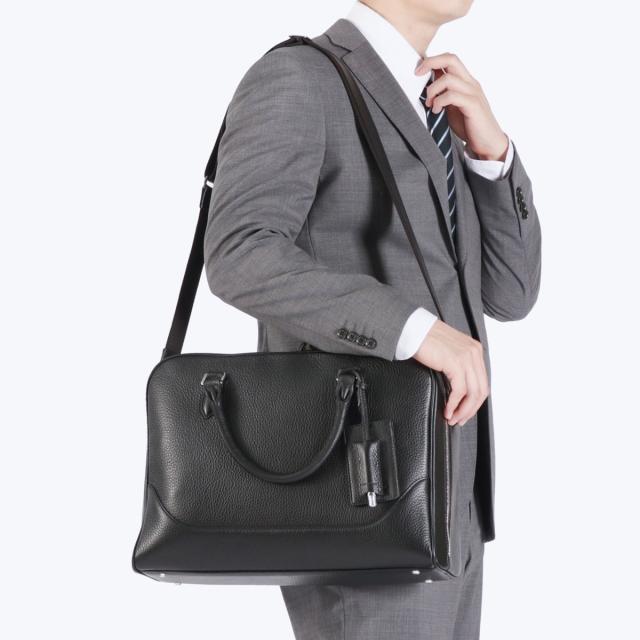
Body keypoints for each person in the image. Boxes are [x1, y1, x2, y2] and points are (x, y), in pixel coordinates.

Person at [203, 0, 541, 637]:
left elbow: (511, 292)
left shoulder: (435, 103)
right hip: (362, 488)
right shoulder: (299, 78)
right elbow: (239, 253)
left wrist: (490, 157)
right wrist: (415, 330)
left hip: (450, 492)